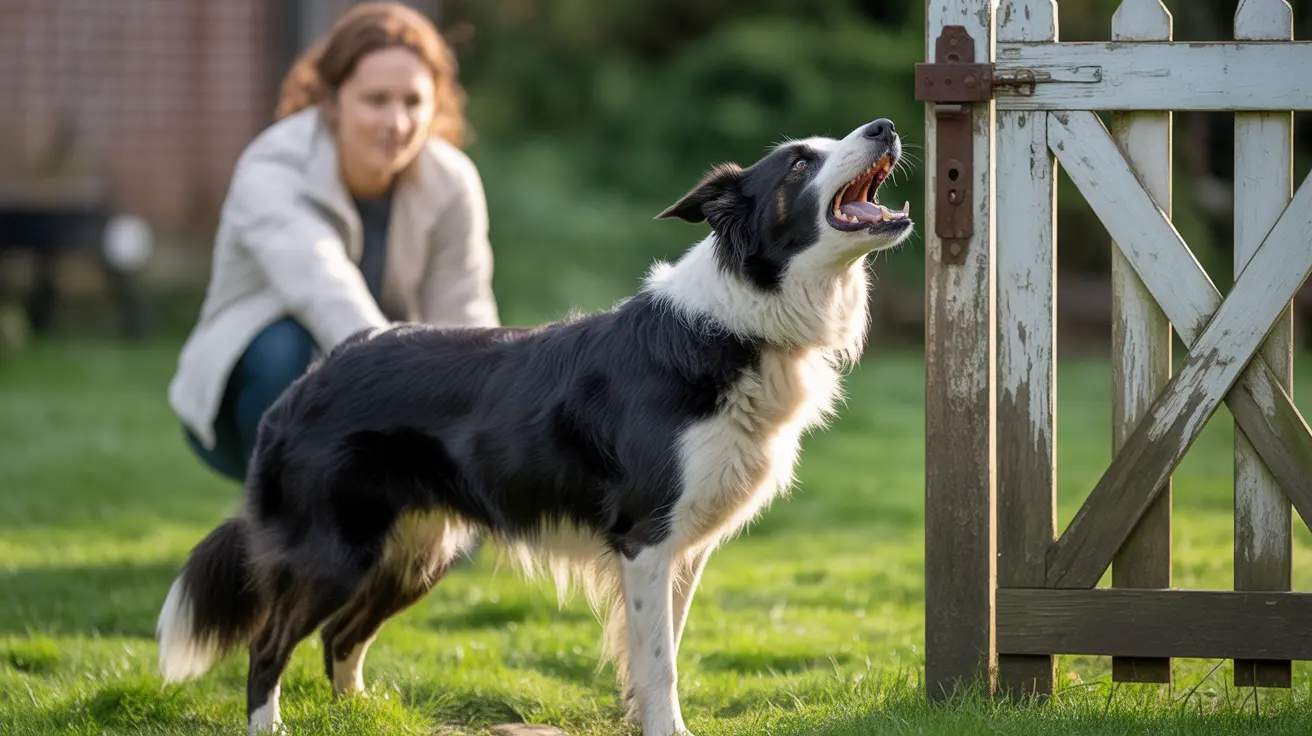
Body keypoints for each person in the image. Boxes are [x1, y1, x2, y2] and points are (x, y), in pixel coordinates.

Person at [169, 2, 500, 482]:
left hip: (389, 386)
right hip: (256, 392)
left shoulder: (452, 180)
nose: (396, 122)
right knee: (286, 348)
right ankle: (285, 519)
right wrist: (408, 384)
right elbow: (322, 286)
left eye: (412, 102)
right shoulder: (273, 166)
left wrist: (487, 428)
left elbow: (467, 317)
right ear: (331, 99)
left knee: (457, 532)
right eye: (376, 99)